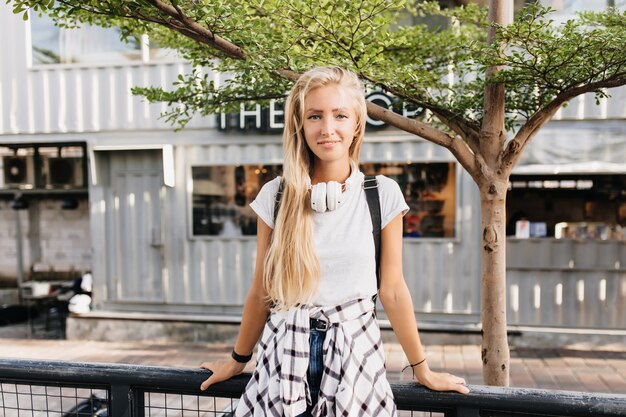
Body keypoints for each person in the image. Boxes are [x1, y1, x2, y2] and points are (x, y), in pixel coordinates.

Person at [200, 66, 469, 417]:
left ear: (357, 123)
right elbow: (261, 291)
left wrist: (422, 368)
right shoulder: (276, 195)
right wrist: (238, 360)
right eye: (315, 116)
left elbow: (393, 290)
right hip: (282, 356)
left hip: (354, 357)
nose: (327, 128)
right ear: (300, 123)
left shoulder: (381, 194)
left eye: (340, 115)